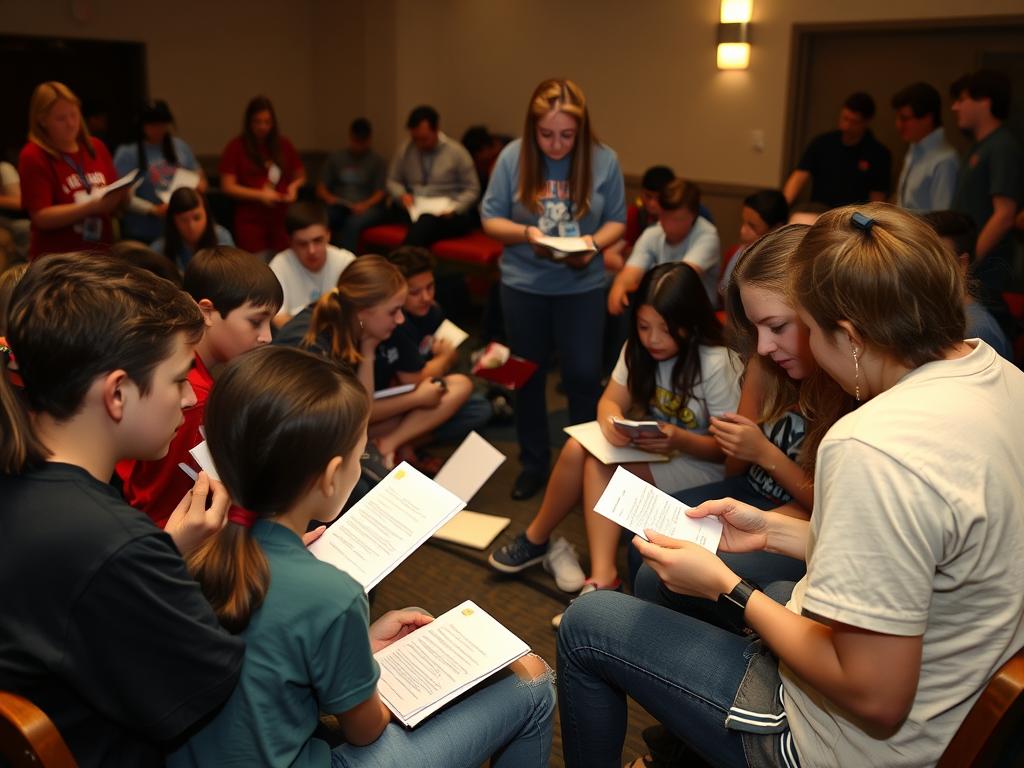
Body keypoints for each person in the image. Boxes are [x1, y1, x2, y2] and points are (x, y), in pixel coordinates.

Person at [557, 203, 1024, 768]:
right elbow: (929, 556)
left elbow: (875, 698)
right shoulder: (999, 373)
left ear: (848, 335)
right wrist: (775, 533)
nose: (774, 348)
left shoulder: (872, 444)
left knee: (588, 624)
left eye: (796, 326)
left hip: (841, 744)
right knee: (715, 591)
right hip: (948, 695)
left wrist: (730, 589)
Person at [166, 345, 555, 767]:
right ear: (332, 477)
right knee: (532, 679)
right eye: (360, 453)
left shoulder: (184, 551)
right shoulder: (330, 593)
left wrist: (358, 647)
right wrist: (367, 667)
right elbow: (365, 729)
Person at [0, 254, 244, 766]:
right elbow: (223, 693)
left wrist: (164, 551)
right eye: (178, 379)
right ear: (116, 393)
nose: (186, 398)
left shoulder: (28, 476)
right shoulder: (109, 540)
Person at [490, 263, 740, 611]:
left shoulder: (715, 362)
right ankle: (540, 540)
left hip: (700, 463)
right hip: (659, 449)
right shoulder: (637, 348)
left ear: (690, 323)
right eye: (642, 326)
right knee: (581, 447)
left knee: (600, 466)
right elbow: (609, 400)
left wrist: (679, 439)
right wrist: (611, 422)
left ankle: (603, 576)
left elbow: (729, 455)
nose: (652, 339)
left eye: (665, 330)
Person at [481, 77, 626, 500]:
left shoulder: (604, 160)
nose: (557, 145)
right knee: (527, 375)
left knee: (583, 375)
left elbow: (617, 219)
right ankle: (534, 462)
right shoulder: (513, 157)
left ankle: (582, 463)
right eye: (546, 135)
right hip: (524, 284)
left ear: (581, 130)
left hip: (582, 286)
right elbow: (490, 219)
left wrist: (593, 244)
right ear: (532, 128)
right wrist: (528, 234)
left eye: (567, 135)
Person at [118, 246, 281, 527]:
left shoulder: (178, 368)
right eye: (255, 322)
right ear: (206, 311)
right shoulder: (195, 401)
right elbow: (163, 505)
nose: (267, 336)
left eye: (270, 322)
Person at [274, 255, 472, 471]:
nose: (400, 320)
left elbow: (361, 410)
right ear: (362, 310)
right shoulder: (312, 345)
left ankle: (387, 447)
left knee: (453, 404)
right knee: (418, 418)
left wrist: (368, 348)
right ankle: (386, 449)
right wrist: (416, 398)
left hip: (341, 425)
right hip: (303, 446)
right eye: (393, 311)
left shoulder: (357, 325)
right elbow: (351, 419)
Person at [386, 245, 492, 445]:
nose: (426, 297)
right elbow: (411, 380)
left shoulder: (432, 310)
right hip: (397, 400)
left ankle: (410, 441)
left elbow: (442, 362)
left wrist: (443, 361)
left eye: (430, 287)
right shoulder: (394, 321)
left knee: (479, 407)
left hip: (426, 390)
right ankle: (403, 442)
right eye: (415, 292)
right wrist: (444, 358)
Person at [18, 81, 128, 258]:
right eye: (61, 118)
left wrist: (122, 196)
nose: (71, 123)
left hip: (101, 254)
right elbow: (40, 216)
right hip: (58, 262)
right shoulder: (33, 155)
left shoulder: (96, 147)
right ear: (42, 120)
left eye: (74, 115)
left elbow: (113, 197)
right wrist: (91, 207)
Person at [950, 69, 1022, 327]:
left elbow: (1004, 214)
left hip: (986, 273)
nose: (955, 107)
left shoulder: (1002, 145)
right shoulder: (979, 146)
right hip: (972, 268)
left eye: (963, 99)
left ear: (985, 101)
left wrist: (966, 263)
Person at [609, 178, 721, 311]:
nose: (669, 225)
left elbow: (680, 280)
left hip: (697, 313)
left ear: (694, 216)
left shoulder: (707, 236)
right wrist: (620, 287)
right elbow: (630, 273)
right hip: (659, 309)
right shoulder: (653, 233)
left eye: (676, 219)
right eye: (664, 217)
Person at [219, 95, 305, 256]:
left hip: (281, 217)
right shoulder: (236, 146)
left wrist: (294, 188)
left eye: (267, 122)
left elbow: (300, 176)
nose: (263, 127)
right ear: (249, 122)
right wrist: (260, 195)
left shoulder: (283, 144)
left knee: (284, 261)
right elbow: (227, 186)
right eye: (257, 122)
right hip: (251, 219)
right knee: (257, 265)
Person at [923, 209, 1013, 360]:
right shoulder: (938, 315)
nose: (920, 267)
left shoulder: (976, 333)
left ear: (962, 265)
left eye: (934, 259)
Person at [113, 100, 206, 243]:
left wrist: (198, 188)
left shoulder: (179, 146)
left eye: (162, 124)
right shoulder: (127, 153)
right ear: (142, 125)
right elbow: (121, 196)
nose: (158, 129)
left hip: (179, 227)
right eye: (152, 125)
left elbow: (199, 177)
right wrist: (153, 210)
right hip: (143, 230)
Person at [387, 105, 480, 247]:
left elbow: (472, 189)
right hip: (414, 207)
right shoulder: (406, 150)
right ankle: (409, 263)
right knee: (418, 221)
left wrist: (454, 208)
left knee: (426, 223)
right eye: (415, 138)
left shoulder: (457, 152)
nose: (419, 144)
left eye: (424, 139)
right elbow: (393, 180)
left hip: (447, 213)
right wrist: (401, 195)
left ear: (436, 130)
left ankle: (402, 263)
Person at [783, 92, 891, 207]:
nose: (846, 126)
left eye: (853, 122)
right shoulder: (822, 143)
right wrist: (782, 207)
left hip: (853, 218)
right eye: (844, 118)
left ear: (866, 122)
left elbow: (877, 198)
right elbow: (799, 176)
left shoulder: (879, 154)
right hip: (820, 212)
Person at [270, 201, 356, 326]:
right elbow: (277, 319)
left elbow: (361, 313)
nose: (312, 251)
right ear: (290, 241)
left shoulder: (346, 261)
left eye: (318, 240)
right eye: (302, 244)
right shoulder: (280, 265)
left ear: (328, 235)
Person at [317, 117, 388, 252]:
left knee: (353, 223)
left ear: (369, 140)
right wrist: (329, 198)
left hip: (367, 207)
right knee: (325, 217)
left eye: (362, 142)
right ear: (350, 137)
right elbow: (321, 188)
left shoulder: (377, 161)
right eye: (356, 141)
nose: (359, 146)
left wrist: (365, 204)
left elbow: (380, 192)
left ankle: (348, 263)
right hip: (340, 203)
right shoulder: (336, 158)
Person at [891, 82, 958, 212]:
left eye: (904, 119)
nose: (898, 125)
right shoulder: (914, 148)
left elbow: (942, 219)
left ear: (927, 118)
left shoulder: (944, 161)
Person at [718, 189, 789, 298]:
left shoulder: (783, 267)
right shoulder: (734, 253)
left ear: (776, 228)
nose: (742, 230)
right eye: (743, 222)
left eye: (752, 226)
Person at [151, 187, 234, 272]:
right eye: (183, 220)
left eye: (197, 218)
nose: (191, 226)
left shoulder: (222, 237)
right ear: (173, 221)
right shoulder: (159, 249)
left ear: (207, 215)